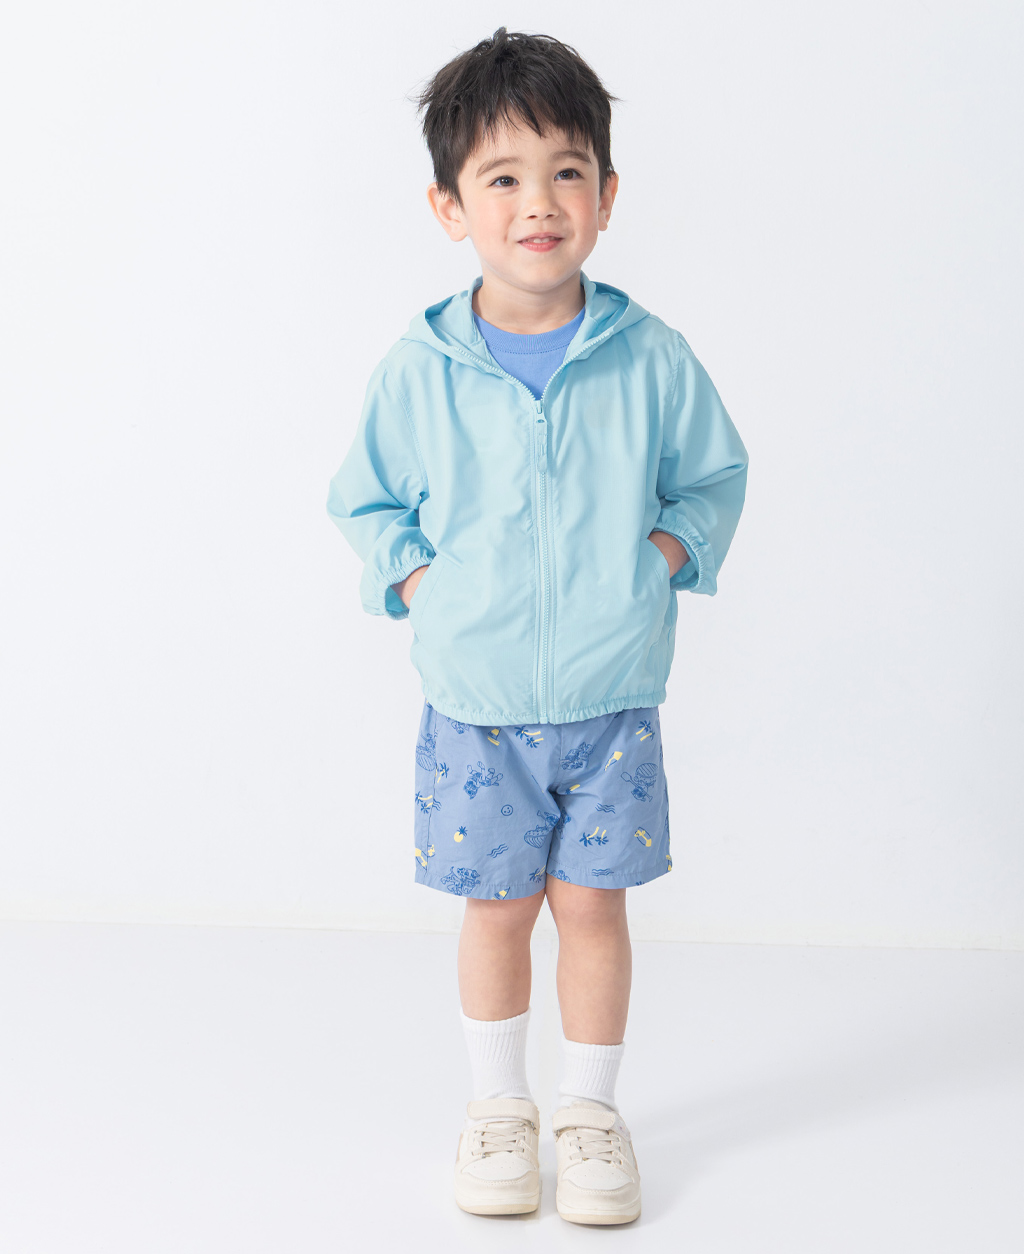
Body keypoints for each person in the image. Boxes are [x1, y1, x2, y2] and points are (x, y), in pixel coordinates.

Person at [327, 28, 747, 1225]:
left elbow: (712, 479)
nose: (538, 203)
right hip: (478, 705)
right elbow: (363, 500)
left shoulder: (650, 357)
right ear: (449, 207)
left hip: (612, 700)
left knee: (595, 910)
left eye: (566, 172)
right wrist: (421, 585)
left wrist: (658, 564)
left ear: (606, 196)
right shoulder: (420, 368)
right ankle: (498, 1109)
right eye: (502, 177)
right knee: (498, 909)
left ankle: (591, 1114)